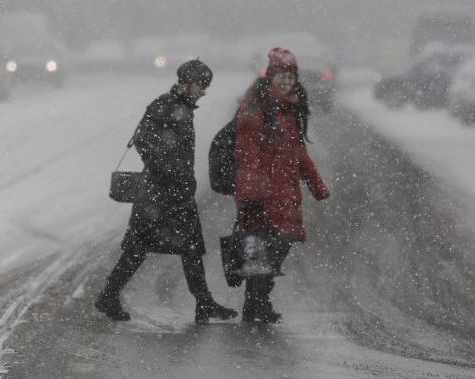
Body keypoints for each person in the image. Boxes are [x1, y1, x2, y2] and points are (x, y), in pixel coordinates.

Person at [95, 59, 237, 324]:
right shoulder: (164, 105)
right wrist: (168, 168)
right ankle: (109, 294)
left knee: (190, 248)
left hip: (176, 192)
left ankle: (203, 302)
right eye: (200, 85)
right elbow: (142, 140)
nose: (203, 91)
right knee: (139, 248)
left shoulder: (181, 107)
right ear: (186, 83)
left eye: (205, 87)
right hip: (158, 193)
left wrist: (178, 175)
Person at [233, 47, 330, 323]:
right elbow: (246, 153)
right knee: (263, 254)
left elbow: (299, 153)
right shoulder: (255, 107)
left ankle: (257, 304)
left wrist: (316, 185)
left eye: (291, 76)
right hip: (261, 195)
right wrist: (249, 192)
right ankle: (255, 306)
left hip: (284, 194)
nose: (287, 81)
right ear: (270, 77)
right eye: (282, 76)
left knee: (275, 252)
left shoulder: (290, 108)